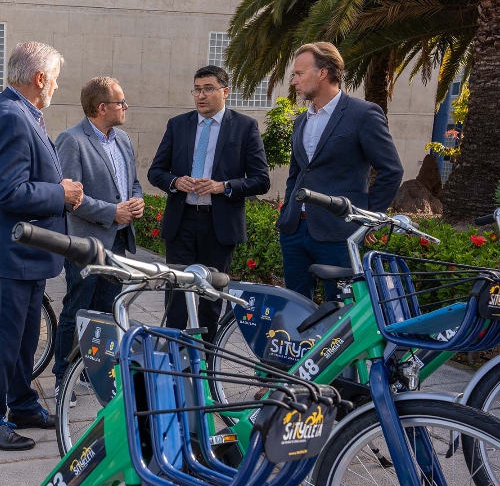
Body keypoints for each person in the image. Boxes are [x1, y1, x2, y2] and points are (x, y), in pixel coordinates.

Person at [0, 41, 84, 451]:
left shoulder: (20, 113)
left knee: (23, 338)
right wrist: (60, 192)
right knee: (3, 340)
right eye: (54, 79)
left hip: (26, 254)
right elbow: (9, 192)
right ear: (40, 79)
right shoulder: (10, 116)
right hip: (10, 253)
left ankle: (22, 403)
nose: (55, 86)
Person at [147, 66, 270, 339]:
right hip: (181, 222)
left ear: (225, 92)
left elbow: (261, 180)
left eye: (208, 89)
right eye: (197, 89)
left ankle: (206, 363)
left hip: (219, 225)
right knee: (176, 296)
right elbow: (155, 172)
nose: (201, 95)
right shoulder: (178, 125)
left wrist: (223, 186)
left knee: (211, 299)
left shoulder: (244, 127)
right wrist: (176, 182)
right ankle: (174, 360)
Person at [277, 42, 403, 300]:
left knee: (344, 312)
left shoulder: (363, 114)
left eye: (299, 74)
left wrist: (366, 220)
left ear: (322, 73)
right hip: (295, 232)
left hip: (339, 233)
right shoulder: (302, 120)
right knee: (296, 310)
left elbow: (391, 170)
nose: (294, 81)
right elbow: (297, 173)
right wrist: (288, 211)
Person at [53, 77, 143, 402]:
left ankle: (95, 373)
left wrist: (136, 201)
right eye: (121, 102)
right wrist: (112, 212)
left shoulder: (124, 140)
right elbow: (71, 198)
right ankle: (63, 377)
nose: (126, 107)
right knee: (78, 308)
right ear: (102, 107)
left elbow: (132, 182)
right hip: (86, 243)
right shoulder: (71, 140)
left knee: (107, 310)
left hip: (118, 242)